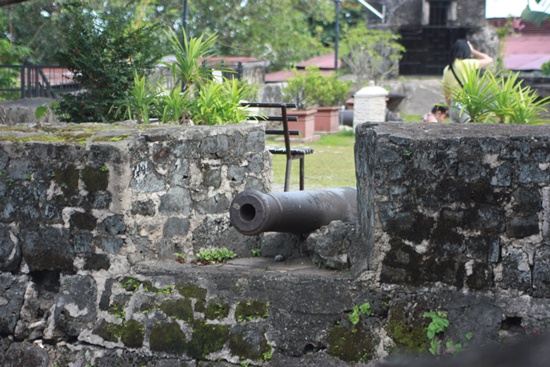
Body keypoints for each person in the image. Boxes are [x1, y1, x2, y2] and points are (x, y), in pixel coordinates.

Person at [442, 40, 493, 123]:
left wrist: (450, 106)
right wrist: (473, 50)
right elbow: (489, 59)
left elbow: (447, 93)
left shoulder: (447, 68)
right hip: (464, 105)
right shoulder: (468, 64)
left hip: (453, 105)